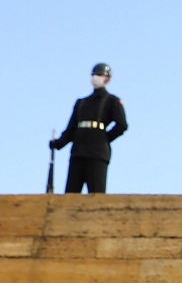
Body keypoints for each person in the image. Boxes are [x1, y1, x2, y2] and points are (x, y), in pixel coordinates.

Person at [49, 63, 127, 194]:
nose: (95, 77)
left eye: (99, 75)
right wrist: (58, 143)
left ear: (107, 79)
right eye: (94, 74)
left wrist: (104, 138)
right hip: (78, 151)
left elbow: (122, 125)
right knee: (71, 194)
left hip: (98, 153)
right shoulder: (81, 103)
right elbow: (71, 129)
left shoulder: (112, 101)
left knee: (96, 194)